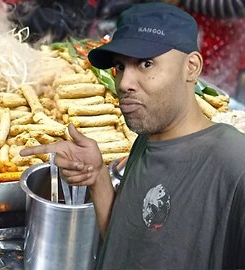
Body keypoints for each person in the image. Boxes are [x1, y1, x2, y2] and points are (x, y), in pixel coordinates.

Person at [20, 2, 245, 269]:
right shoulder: (147, 141)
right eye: (120, 67)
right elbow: (128, 246)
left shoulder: (234, 164)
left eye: (146, 64)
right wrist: (98, 177)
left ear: (192, 67)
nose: (125, 83)